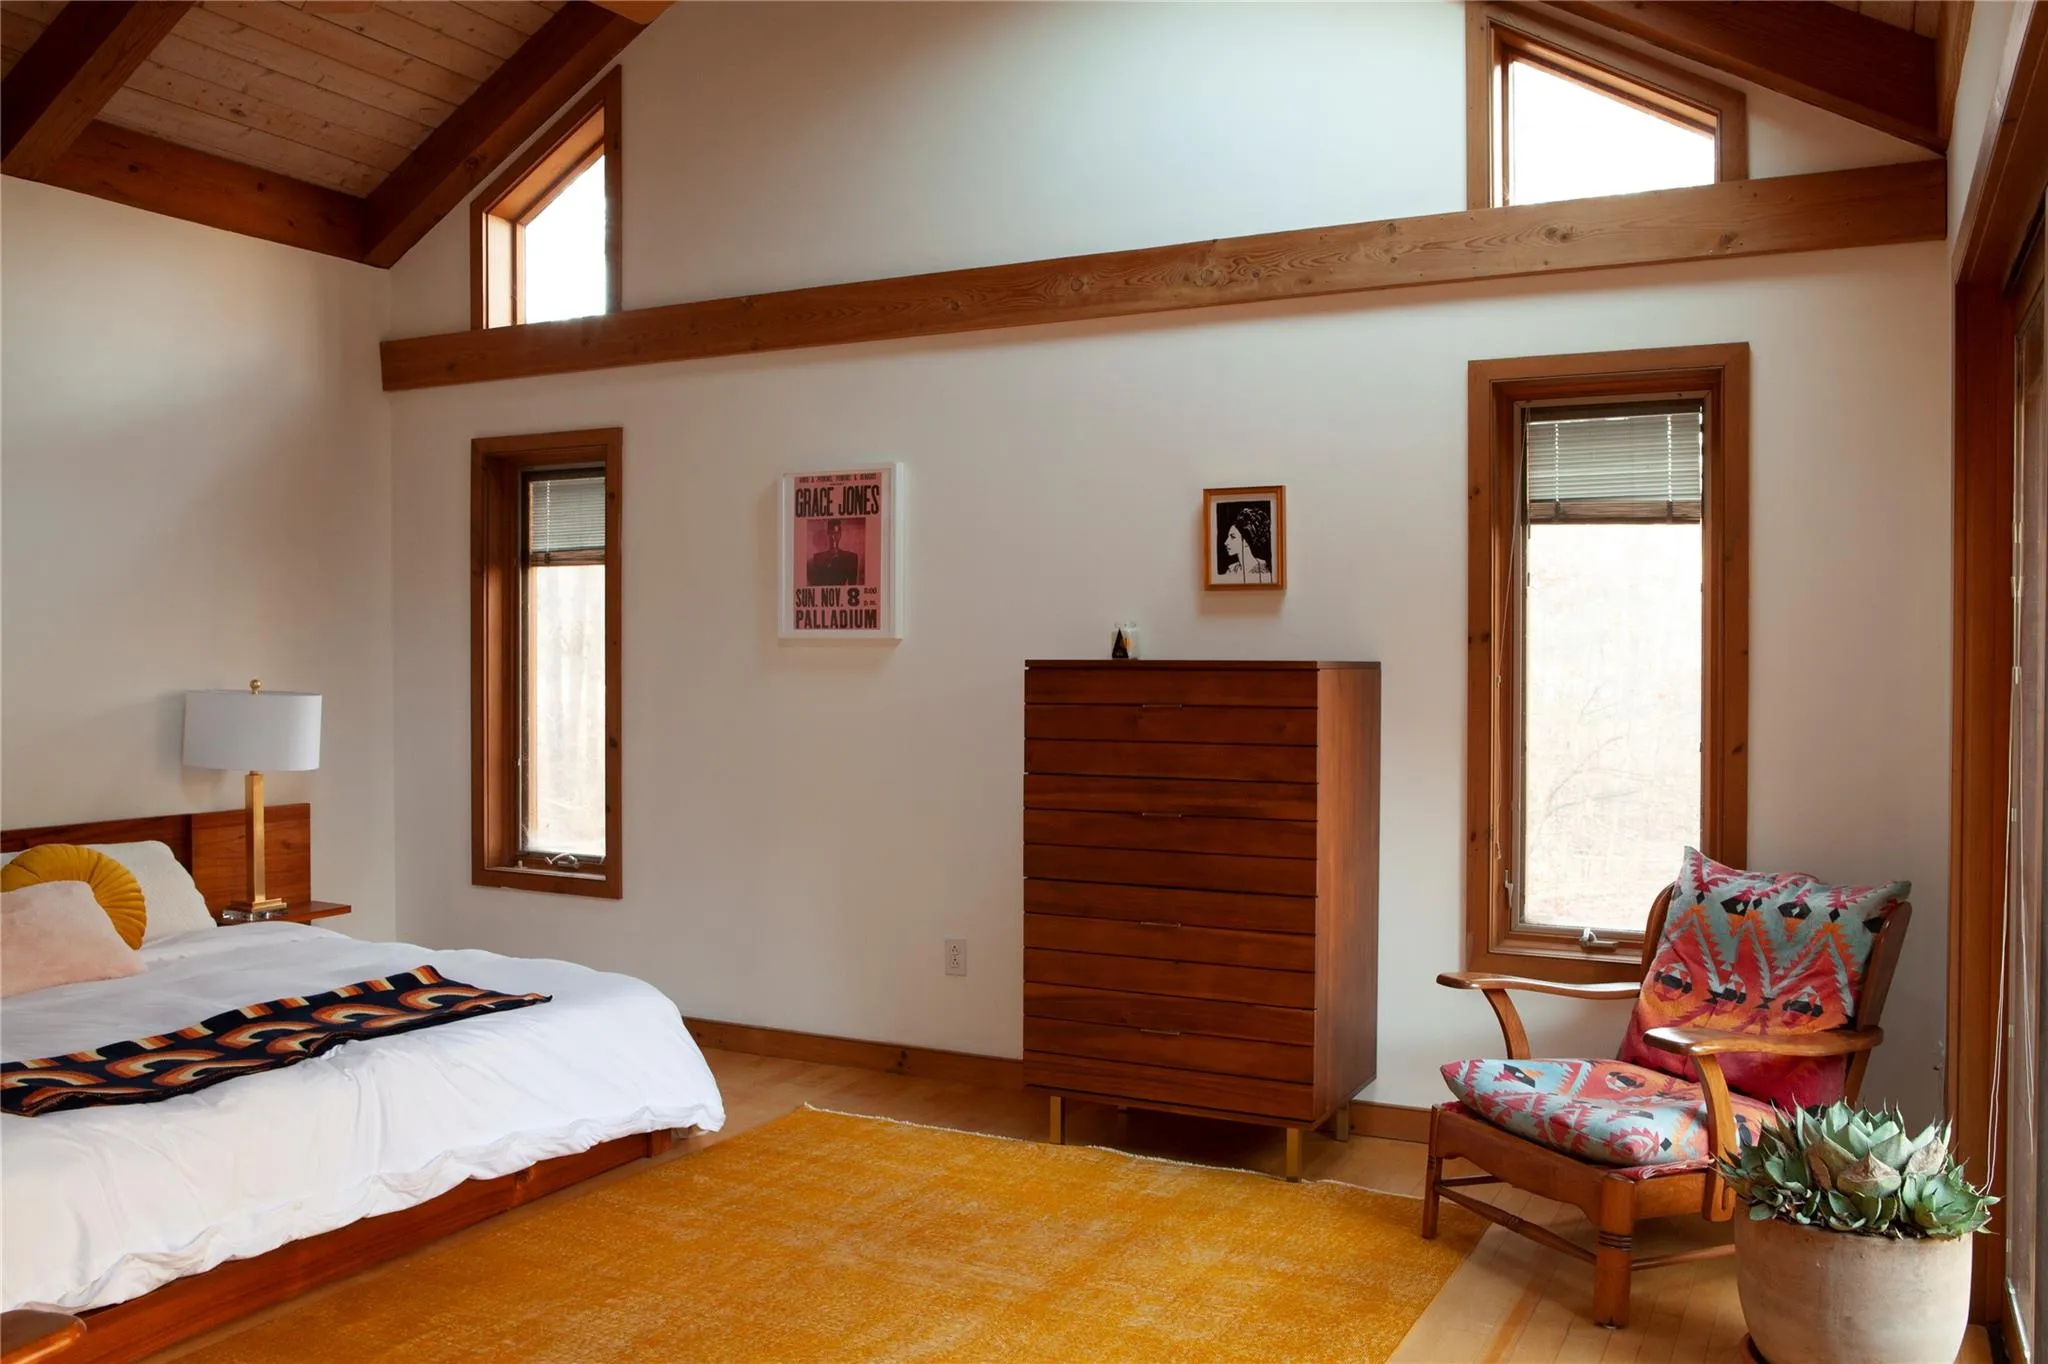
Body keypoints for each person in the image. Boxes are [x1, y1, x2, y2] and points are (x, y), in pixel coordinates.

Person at [1218, 505, 1275, 583]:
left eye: (1232, 537)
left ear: (1246, 541)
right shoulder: (1232, 570)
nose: (1226, 542)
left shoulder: (1262, 571)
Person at [807, 518, 862, 585]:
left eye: (836, 533)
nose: (833, 537)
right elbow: (816, 585)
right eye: (831, 533)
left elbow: (852, 585)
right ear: (828, 534)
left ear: (840, 534)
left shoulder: (850, 557)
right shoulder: (817, 558)